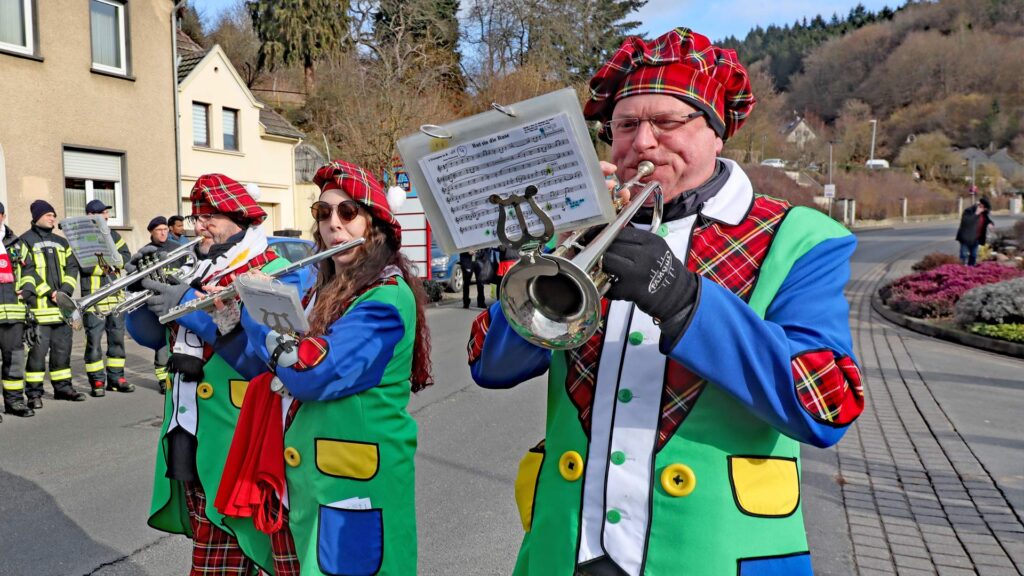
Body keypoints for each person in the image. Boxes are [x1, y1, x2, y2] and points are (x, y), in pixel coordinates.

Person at [468, 28, 864, 576]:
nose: (644, 143)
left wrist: (684, 300)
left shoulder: (799, 238)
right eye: (627, 125)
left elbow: (827, 403)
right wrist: (546, 256)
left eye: (669, 122)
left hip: (714, 552)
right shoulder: (582, 224)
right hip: (569, 549)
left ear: (716, 132)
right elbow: (491, 364)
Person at [206, 160, 433, 575]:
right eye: (323, 213)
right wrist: (225, 323)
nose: (334, 223)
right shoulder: (320, 292)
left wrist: (257, 318)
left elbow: (310, 375)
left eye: (348, 212)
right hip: (303, 482)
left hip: (349, 487)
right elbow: (268, 371)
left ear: (374, 226)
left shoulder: (384, 297)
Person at [125, 174, 293, 575]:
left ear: (240, 219)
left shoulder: (278, 269)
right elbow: (153, 337)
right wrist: (139, 295)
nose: (199, 226)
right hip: (193, 433)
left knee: (268, 552)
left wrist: (192, 306)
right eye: (196, 216)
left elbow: (267, 356)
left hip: (248, 437)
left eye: (210, 216)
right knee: (213, 558)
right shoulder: (190, 267)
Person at [22, 200, 85, 407]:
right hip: (39, 310)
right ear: (38, 216)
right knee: (37, 354)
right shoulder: (25, 241)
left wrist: (65, 292)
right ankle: (34, 394)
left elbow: (72, 267)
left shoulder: (62, 242)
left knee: (62, 351)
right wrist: (50, 293)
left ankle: (63, 388)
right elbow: (26, 273)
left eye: (53, 215)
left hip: (62, 309)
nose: (53, 218)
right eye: (49, 214)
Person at [75, 199, 133, 397]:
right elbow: (85, 266)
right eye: (103, 213)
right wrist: (110, 264)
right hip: (93, 299)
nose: (107, 217)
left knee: (117, 340)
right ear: (91, 215)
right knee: (94, 342)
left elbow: (126, 257)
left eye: (107, 213)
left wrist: (111, 264)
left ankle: (116, 378)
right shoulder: (81, 238)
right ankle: (97, 381)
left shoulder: (113, 235)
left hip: (115, 297)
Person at [0, 202, 38, 419]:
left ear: (3, 216)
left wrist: (28, 290)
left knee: (14, 360)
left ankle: (14, 402)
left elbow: (29, 270)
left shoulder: (16, 244)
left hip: (14, 313)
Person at [132, 216, 173, 393]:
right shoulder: (144, 253)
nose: (163, 232)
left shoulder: (176, 249)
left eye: (165, 229)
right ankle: (164, 381)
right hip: (156, 304)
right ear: (151, 232)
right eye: (159, 230)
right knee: (163, 345)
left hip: (177, 300)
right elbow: (134, 284)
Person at [955, 196, 994, 266]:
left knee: (973, 255)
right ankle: (961, 269)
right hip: (966, 238)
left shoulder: (983, 214)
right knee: (964, 255)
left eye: (984, 209)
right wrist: (976, 213)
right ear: (979, 205)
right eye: (982, 207)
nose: (983, 209)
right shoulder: (969, 211)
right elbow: (966, 221)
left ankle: (971, 269)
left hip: (976, 238)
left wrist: (990, 223)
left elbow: (987, 220)